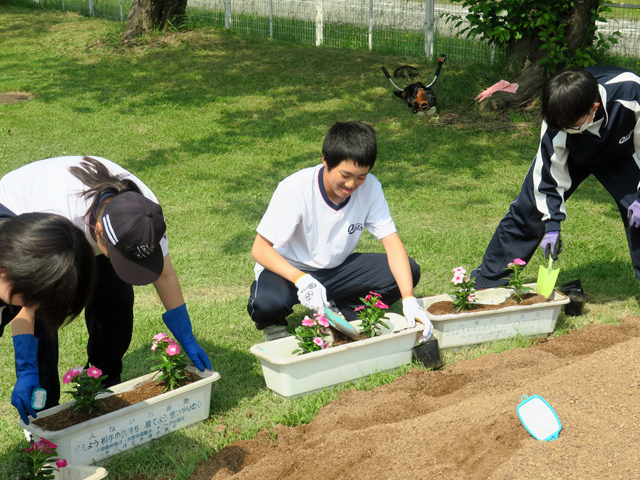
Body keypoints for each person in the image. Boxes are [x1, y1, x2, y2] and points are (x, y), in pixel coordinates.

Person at [0, 156, 212, 411]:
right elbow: (27, 300)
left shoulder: (145, 214)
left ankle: (102, 383)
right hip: (25, 218)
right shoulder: (59, 218)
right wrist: (27, 368)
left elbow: (165, 274)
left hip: (91, 226)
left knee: (116, 302)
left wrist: (185, 334)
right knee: (45, 315)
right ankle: (43, 404)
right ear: (99, 231)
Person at [247, 121, 433, 342]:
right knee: (267, 304)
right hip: (288, 271)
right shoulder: (294, 188)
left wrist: (409, 299)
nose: (352, 184)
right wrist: (302, 279)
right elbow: (259, 249)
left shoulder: (371, 187)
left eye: (361, 176)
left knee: (408, 272)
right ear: (325, 159)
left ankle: (342, 311)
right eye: (345, 175)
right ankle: (274, 327)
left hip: (336, 270)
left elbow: (392, 243)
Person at [471, 67, 640, 288]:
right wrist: (551, 225)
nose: (562, 128)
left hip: (622, 149)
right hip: (573, 152)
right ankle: (488, 280)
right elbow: (548, 178)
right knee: (529, 209)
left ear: (594, 107)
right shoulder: (558, 116)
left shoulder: (631, 92)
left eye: (570, 125)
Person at [0, 207, 96, 424]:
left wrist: (27, 368)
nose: (35, 307)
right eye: (36, 297)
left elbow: (25, 308)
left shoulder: (20, 241)